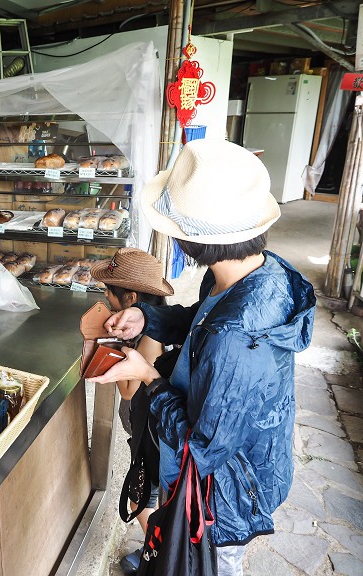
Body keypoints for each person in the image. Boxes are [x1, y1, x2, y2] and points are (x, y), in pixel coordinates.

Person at [91, 139, 315, 576]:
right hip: (249, 456)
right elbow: (201, 320)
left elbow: (201, 447)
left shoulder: (236, 335)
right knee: (182, 547)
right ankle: (167, 549)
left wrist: (148, 376)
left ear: (192, 242)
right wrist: (147, 319)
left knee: (212, 561)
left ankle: (182, 556)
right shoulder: (255, 270)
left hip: (227, 493)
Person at [90, 248, 174, 574]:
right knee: (151, 497)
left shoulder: (151, 339)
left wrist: (107, 348)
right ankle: (161, 550)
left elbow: (128, 389)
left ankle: (163, 553)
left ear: (131, 298)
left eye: (109, 293)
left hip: (151, 438)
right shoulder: (152, 327)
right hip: (149, 433)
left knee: (141, 501)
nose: (106, 299)